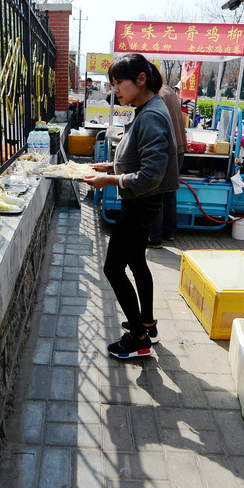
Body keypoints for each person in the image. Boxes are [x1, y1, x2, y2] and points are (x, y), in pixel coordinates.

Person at [82, 54, 178, 358]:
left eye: (118, 83)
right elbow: (137, 158)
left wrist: (110, 181)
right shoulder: (147, 108)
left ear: (140, 79)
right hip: (143, 202)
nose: (115, 91)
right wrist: (109, 167)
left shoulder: (151, 115)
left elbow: (150, 175)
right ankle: (146, 324)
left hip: (141, 203)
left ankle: (139, 339)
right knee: (136, 263)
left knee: (113, 267)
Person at [147, 78, 187, 246]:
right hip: (178, 146)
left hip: (166, 148)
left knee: (155, 192)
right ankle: (169, 232)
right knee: (170, 190)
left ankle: (154, 238)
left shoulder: (155, 95)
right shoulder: (169, 91)